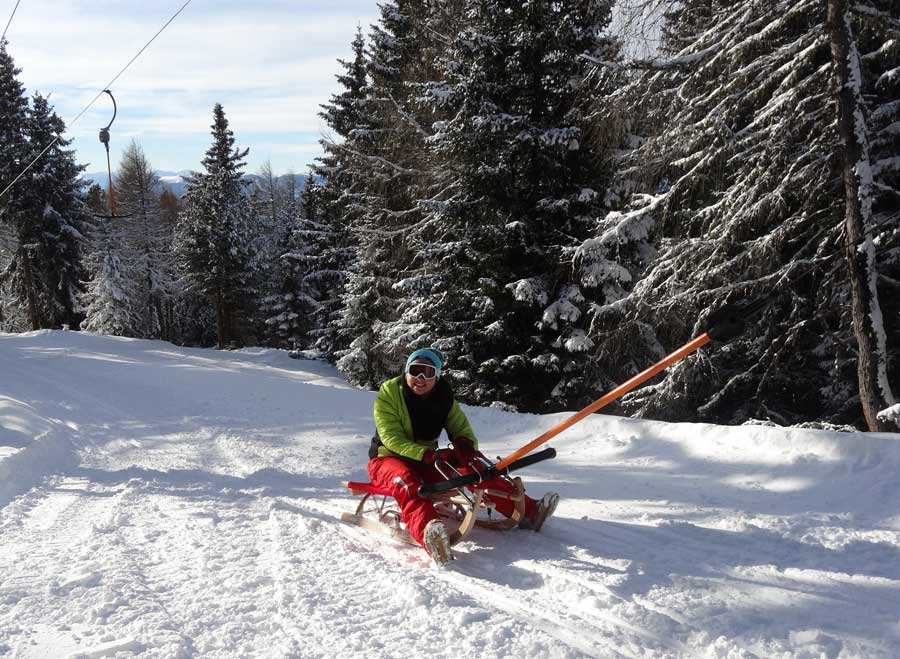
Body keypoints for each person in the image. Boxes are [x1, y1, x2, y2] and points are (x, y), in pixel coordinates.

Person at [368, 347, 559, 566]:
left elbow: (461, 428)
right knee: (406, 481)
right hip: (387, 460)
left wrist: (465, 445)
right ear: (406, 372)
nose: (420, 378)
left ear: (437, 377)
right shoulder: (389, 393)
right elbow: (392, 438)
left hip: (426, 460)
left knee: (474, 466)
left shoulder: (443, 397)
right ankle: (430, 532)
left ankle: (531, 511)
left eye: (428, 373)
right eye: (415, 371)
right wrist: (425, 454)